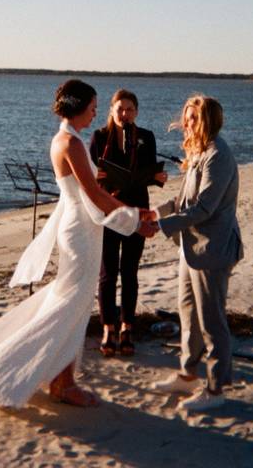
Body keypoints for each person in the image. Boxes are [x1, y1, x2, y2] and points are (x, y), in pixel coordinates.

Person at [0, 79, 158, 408]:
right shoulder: (71, 144)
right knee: (71, 306)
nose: (95, 114)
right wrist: (134, 221)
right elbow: (93, 194)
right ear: (78, 108)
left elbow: (98, 193)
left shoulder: (68, 138)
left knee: (72, 303)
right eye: (92, 108)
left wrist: (136, 212)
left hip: (82, 228)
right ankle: (60, 382)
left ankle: (60, 378)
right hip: (80, 232)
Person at [145, 95, 244, 412]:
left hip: (212, 251)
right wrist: (153, 215)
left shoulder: (219, 156)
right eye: (185, 117)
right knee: (187, 315)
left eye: (192, 119)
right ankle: (187, 375)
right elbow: (182, 200)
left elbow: (203, 208)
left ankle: (216, 390)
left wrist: (161, 226)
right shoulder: (199, 151)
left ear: (207, 121)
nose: (186, 123)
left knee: (213, 323)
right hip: (190, 249)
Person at [89, 89, 167, 357]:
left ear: (137, 111)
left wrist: (157, 177)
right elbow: (89, 178)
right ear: (111, 110)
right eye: (120, 109)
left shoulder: (146, 137)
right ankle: (108, 328)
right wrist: (96, 175)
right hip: (109, 212)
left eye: (130, 109)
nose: (125, 114)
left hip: (136, 209)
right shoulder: (99, 137)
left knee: (130, 272)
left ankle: (126, 327)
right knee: (107, 273)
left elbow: (148, 173)